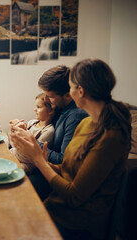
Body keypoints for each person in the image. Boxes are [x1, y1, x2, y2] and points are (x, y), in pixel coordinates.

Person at [10, 58, 131, 239]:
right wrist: (42, 159)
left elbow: (74, 195)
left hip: (77, 223)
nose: (68, 92)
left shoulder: (110, 136)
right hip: (58, 208)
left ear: (79, 91)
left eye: (70, 87)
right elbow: (68, 169)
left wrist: (37, 159)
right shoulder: (88, 122)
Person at [28, 65, 88, 200]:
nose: (47, 100)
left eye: (50, 96)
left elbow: (64, 160)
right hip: (45, 167)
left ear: (67, 95)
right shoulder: (61, 109)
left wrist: (33, 143)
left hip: (56, 176)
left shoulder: (76, 116)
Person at [9, 93, 55, 174]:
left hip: (28, 163)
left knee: (11, 171)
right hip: (15, 153)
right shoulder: (32, 122)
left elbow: (33, 153)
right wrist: (14, 128)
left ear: (50, 110)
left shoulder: (48, 130)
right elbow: (14, 144)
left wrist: (22, 132)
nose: (35, 109)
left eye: (39, 107)